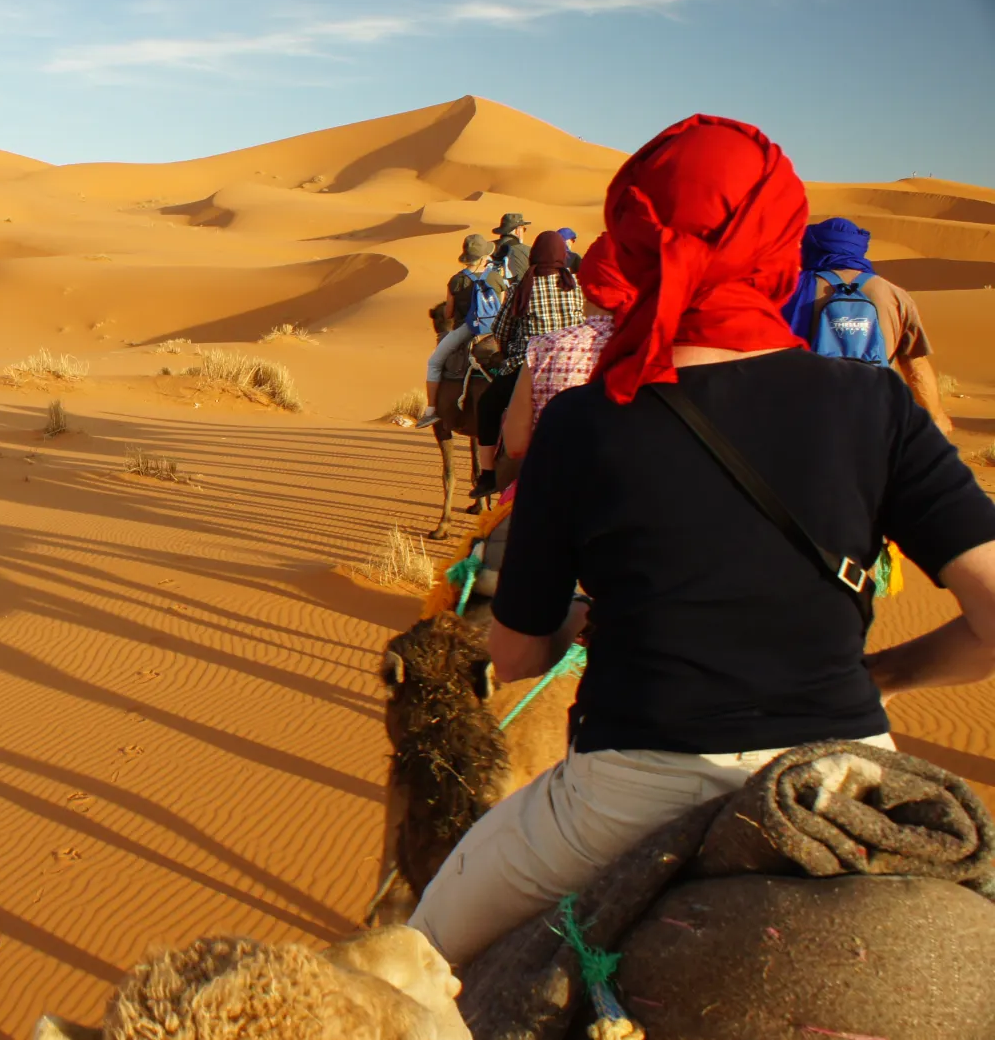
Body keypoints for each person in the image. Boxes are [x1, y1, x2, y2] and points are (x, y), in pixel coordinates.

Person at [406, 115, 995, 967]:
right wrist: (887, 673)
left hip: (628, 788)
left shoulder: (579, 423)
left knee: (419, 956)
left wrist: (588, 621)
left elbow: (517, 656)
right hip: (842, 773)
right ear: (778, 246)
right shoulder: (878, 406)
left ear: (635, 243)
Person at [782, 217, 953, 433]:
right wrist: (936, 417)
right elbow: (915, 366)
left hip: (808, 417)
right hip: (875, 417)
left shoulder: (791, 291)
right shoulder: (893, 294)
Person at [473, 230, 586, 493]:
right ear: (562, 256)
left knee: (488, 405)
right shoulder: (575, 285)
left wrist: (507, 348)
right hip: (572, 366)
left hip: (527, 366)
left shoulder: (522, 287)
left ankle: (488, 475)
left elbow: (501, 330)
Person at [415, 234, 508, 429]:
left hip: (466, 331)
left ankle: (431, 410)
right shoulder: (496, 278)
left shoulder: (456, 281)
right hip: (495, 333)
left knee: (434, 363)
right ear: (484, 257)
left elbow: (448, 312)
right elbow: (503, 307)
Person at [490, 214, 531, 283]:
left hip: (491, 290)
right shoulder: (528, 251)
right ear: (518, 231)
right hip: (517, 291)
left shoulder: (488, 247)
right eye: (523, 229)